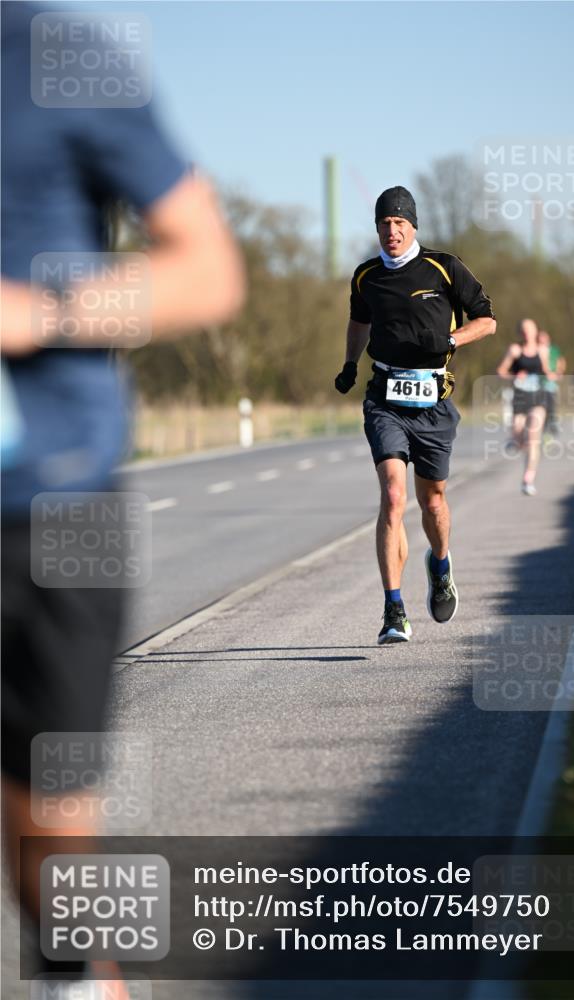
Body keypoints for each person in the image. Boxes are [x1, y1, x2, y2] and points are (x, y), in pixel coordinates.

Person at [1, 2, 245, 993]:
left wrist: (45, 311)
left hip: (47, 507)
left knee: (47, 831)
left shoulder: (58, 58)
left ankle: (78, 975)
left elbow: (208, 269)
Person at [334, 186, 495, 644]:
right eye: (385, 224)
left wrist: (450, 342)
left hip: (433, 405)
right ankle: (393, 610)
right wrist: (349, 364)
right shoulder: (366, 276)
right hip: (385, 400)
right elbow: (359, 322)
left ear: (413, 226)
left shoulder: (445, 267)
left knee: (434, 502)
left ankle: (440, 565)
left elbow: (488, 320)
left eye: (399, 224)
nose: (392, 232)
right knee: (392, 495)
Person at [497, 319, 550, 496]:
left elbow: (546, 371)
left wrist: (553, 375)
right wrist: (514, 377)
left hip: (537, 399)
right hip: (520, 399)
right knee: (520, 439)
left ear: (536, 331)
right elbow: (501, 371)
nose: (527, 332)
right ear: (520, 333)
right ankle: (516, 441)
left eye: (530, 329)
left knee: (534, 436)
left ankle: (529, 478)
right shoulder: (515, 350)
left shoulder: (542, 350)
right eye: (524, 330)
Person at [537, 329, 566, 436]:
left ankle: (552, 422)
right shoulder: (536, 349)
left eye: (543, 337)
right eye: (540, 337)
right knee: (542, 404)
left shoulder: (554, 349)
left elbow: (560, 361)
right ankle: (543, 425)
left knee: (551, 403)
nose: (541, 339)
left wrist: (559, 372)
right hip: (540, 381)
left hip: (551, 381)